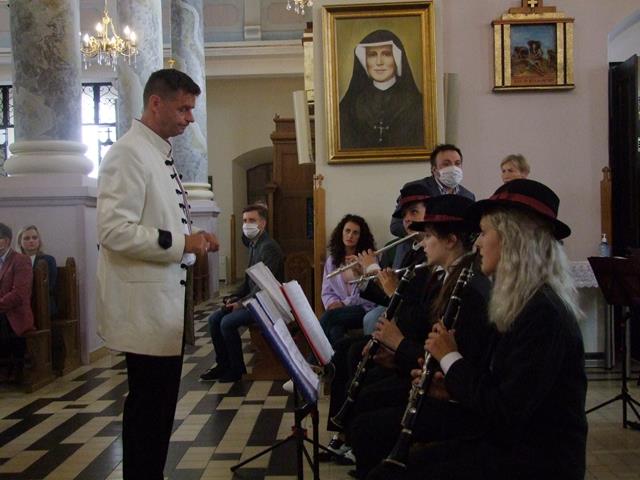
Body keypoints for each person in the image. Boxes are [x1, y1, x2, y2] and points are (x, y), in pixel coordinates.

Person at [370, 179, 587, 480]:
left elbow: (506, 410)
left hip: (536, 461)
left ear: (513, 240)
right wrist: (451, 389)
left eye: (485, 233)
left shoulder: (542, 312)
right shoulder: (524, 300)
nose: (478, 244)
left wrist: (449, 358)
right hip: (507, 441)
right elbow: (498, 384)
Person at [96, 69, 219, 480]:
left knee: (160, 408)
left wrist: (194, 240)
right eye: (183, 109)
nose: (190, 118)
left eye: (191, 109)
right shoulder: (128, 153)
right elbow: (114, 231)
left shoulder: (156, 153)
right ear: (156, 103)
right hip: (143, 308)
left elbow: (159, 221)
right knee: (148, 410)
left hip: (163, 305)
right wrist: (182, 243)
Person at [349, 195, 492, 478]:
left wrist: (399, 344)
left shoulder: (468, 287)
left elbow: (454, 359)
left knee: (367, 424)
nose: (423, 243)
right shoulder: (448, 276)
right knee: (365, 403)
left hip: (458, 402)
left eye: (428, 236)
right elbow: (431, 342)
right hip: (439, 381)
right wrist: (396, 355)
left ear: (451, 240)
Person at [200, 203, 284, 383]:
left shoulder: (268, 247)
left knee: (227, 322)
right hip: (253, 300)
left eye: (252, 220)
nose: (247, 224)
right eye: (244, 220)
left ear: (263, 223)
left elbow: (264, 287)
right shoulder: (255, 244)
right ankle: (223, 365)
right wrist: (235, 296)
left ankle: (236, 369)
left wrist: (240, 303)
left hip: (266, 303)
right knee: (214, 319)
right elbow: (249, 281)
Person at [340, 29, 424, 149]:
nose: (379, 62)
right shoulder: (349, 107)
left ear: (396, 59)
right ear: (365, 61)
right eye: (372, 55)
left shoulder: (417, 104)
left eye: (386, 54)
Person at [390, 144, 475, 239]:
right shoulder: (415, 189)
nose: (453, 168)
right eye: (446, 164)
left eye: (457, 163)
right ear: (434, 169)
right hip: (417, 246)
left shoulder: (468, 196)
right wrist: (426, 233)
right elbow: (395, 226)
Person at [320, 214, 377, 345]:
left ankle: (313, 356)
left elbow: (370, 293)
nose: (350, 236)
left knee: (329, 317)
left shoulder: (368, 258)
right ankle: (337, 357)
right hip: (339, 309)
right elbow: (327, 291)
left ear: (361, 237)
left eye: (355, 233)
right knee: (335, 329)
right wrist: (332, 303)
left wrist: (344, 303)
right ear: (341, 233)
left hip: (363, 308)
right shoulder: (332, 260)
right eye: (347, 231)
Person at [0, 223, 34, 383]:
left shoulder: (20, 260)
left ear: (6, 241)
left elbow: (19, 294)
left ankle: (9, 368)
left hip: (14, 315)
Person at [17, 225, 57, 315]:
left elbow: (50, 286)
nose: (31, 241)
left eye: (34, 238)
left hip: (42, 302)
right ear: (20, 242)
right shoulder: (15, 261)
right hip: (19, 303)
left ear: (39, 241)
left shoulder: (48, 260)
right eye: (27, 238)